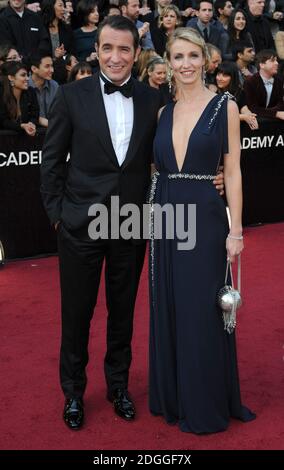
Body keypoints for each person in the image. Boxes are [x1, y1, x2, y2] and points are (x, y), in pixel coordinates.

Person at [40, 15, 224, 431]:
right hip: (80, 225)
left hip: (131, 222)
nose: (116, 56)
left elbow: (174, 151)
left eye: (125, 49)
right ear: (97, 49)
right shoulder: (70, 96)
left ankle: (118, 387)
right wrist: (57, 216)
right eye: (108, 48)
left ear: (136, 53)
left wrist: (211, 173)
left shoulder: (153, 100)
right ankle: (73, 393)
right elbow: (50, 162)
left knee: (122, 312)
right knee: (77, 315)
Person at [149, 27, 256, 434]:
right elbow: (156, 169)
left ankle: (205, 401)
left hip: (207, 221)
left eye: (193, 56)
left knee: (201, 309)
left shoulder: (224, 106)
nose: (186, 64)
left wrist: (237, 229)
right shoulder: (162, 112)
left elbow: (232, 171)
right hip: (164, 218)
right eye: (178, 57)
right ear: (167, 63)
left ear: (206, 59)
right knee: (170, 303)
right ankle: (173, 395)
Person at [0, 61, 39, 135]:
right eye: (23, 75)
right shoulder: (1, 94)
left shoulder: (31, 92)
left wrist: (31, 124)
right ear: (11, 77)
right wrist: (21, 126)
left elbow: (35, 114)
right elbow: (3, 121)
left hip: (25, 141)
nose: (27, 78)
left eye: (27, 75)